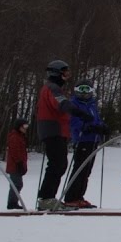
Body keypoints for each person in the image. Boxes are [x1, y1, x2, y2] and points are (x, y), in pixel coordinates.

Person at [36, 60, 92, 211]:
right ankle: (46, 198)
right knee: (57, 163)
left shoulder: (54, 88)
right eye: (65, 73)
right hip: (53, 130)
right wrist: (80, 113)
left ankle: (48, 197)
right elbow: (62, 104)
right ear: (57, 73)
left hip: (57, 130)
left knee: (60, 164)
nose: (67, 76)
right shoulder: (52, 88)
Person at [64, 82, 108, 209]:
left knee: (87, 170)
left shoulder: (92, 104)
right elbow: (74, 121)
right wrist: (87, 127)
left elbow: (96, 119)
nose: (84, 93)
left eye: (86, 89)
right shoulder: (74, 104)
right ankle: (71, 197)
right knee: (80, 168)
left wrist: (102, 127)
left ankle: (79, 196)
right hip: (83, 139)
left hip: (93, 141)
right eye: (81, 90)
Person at [6, 119, 30, 210]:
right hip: (15, 165)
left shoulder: (20, 136)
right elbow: (15, 151)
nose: (25, 129)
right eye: (24, 126)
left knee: (18, 184)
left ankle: (13, 202)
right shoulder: (15, 137)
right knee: (16, 184)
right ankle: (12, 203)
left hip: (18, 165)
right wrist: (19, 163)